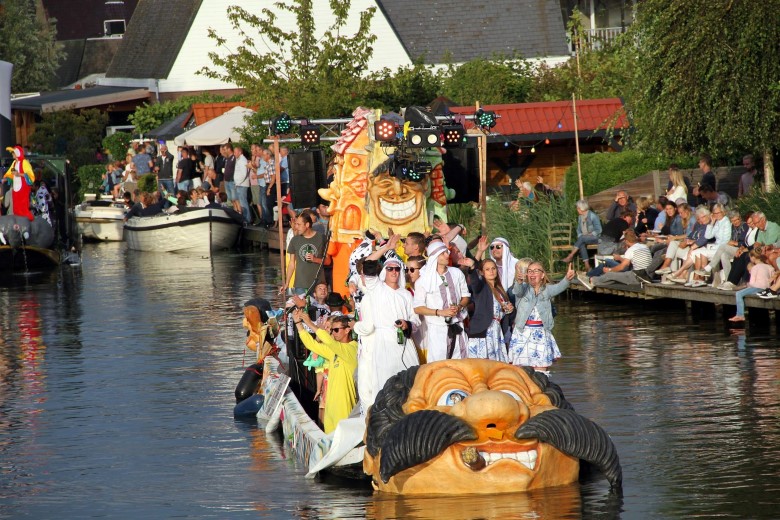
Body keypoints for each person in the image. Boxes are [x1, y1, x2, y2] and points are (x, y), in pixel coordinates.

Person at [292, 310, 357, 433]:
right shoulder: (334, 350)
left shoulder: (352, 349)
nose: (333, 333)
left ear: (347, 330)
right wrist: (298, 323)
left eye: (336, 330)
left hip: (345, 407)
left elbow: (328, 341)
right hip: (331, 408)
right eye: (332, 330)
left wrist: (309, 323)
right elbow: (311, 344)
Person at [508, 261, 575, 376]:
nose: (532, 273)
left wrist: (567, 279)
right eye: (529, 271)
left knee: (540, 372)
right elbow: (517, 291)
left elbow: (560, 287)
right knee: (521, 372)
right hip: (522, 333)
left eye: (536, 271)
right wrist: (518, 281)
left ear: (542, 275)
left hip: (541, 333)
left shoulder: (547, 290)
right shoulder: (523, 289)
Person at [413, 241, 470, 362]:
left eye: (447, 252)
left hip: (458, 326)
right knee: (439, 366)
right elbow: (418, 308)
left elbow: (466, 296)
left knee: (462, 364)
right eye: (443, 253)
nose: (447, 255)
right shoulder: (423, 281)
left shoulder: (457, 273)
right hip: (437, 329)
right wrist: (440, 312)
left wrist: (459, 307)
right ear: (435, 257)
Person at [463, 241, 513, 362]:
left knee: (497, 366)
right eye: (487, 269)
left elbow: (504, 315)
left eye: (493, 268)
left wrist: (510, 310)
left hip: (496, 331)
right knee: (482, 366)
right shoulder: (481, 287)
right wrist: (473, 265)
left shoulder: (500, 291)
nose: (491, 271)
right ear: (482, 272)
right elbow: (474, 281)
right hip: (482, 332)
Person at [578, 230, 652, 289]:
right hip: (647, 275)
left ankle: (591, 281)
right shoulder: (644, 246)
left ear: (626, 241)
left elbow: (622, 267)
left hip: (637, 276)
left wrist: (610, 270)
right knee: (614, 278)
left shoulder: (631, 250)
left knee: (610, 275)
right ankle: (595, 280)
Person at [280, 211, 326, 295]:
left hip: (318, 285)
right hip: (300, 285)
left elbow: (328, 261)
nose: (296, 227)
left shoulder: (322, 238)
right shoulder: (295, 240)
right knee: (301, 307)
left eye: (299, 224)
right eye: (296, 224)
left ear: (307, 225)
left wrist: (315, 259)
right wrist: (286, 283)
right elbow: (291, 264)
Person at [728, 250, 775, 322]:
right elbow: (773, 279)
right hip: (766, 288)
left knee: (738, 294)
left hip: (757, 288)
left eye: (750, 257)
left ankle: (740, 315)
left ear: (753, 258)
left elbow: (752, 283)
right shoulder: (769, 267)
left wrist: (746, 286)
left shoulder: (754, 268)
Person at [562, 199, 602, 270]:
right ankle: (587, 265)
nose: (577, 209)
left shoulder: (593, 216)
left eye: (577, 208)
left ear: (581, 209)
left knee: (582, 239)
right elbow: (578, 229)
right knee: (581, 242)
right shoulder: (580, 217)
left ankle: (571, 255)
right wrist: (580, 235)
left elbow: (599, 229)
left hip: (595, 238)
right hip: (584, 238)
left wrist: (590, 234)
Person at [233, 145, 251, 223]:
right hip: (239, 184)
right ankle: (245, 218)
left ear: (240, 152)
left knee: (243, 202)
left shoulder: (243, 160)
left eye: (235, 152)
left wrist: (238, 182)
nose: (234, 154)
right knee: (241, 202)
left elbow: (244, 173)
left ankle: (247, 219)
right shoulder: (239, 160)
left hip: (242, 184)